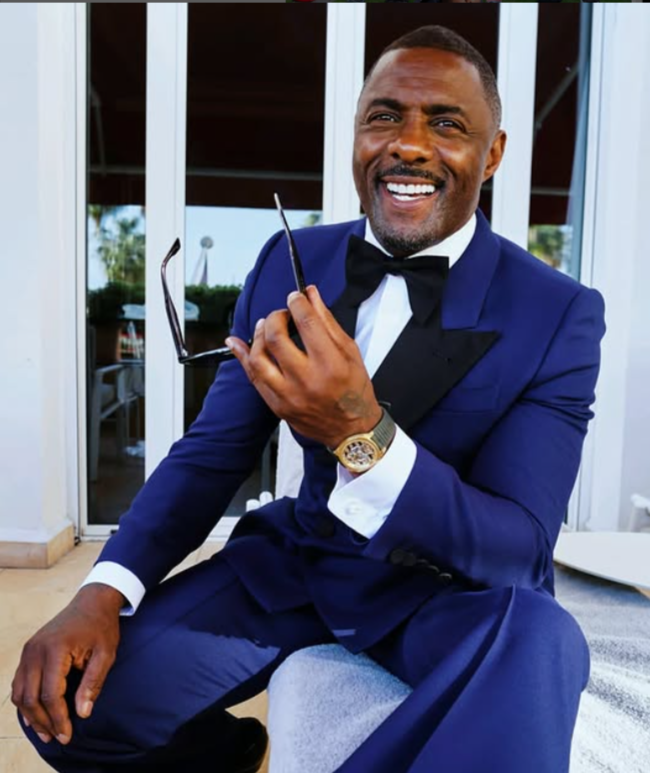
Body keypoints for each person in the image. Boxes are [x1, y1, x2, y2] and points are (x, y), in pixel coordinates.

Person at [13, 24, 605, 773]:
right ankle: (232, 755)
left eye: (447, 124)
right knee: (64, 705)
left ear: (492, 155)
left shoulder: (557, 311)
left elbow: (517, 546)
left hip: (442, 593)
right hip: (300, 566)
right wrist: (104, 587)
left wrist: (364, 431)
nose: (409, 144)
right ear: (356, 135)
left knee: (543, 639)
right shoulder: (292, 258)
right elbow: (212, 453)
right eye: (384, 116)